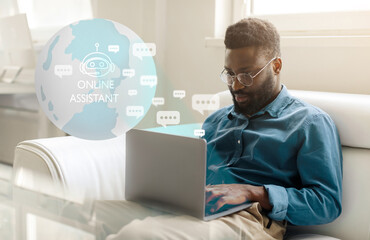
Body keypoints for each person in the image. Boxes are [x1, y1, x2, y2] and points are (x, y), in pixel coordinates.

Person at [100, 17, 342, 240]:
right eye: (230, 74)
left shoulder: (309, 122)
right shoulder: (216, 120)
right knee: (86, 215)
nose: (236, 85)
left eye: (247, 75)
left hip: (248, 218)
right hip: (197, 208)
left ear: (276, 66)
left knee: (138, 234)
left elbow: (327, 203)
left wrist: (252, 192)